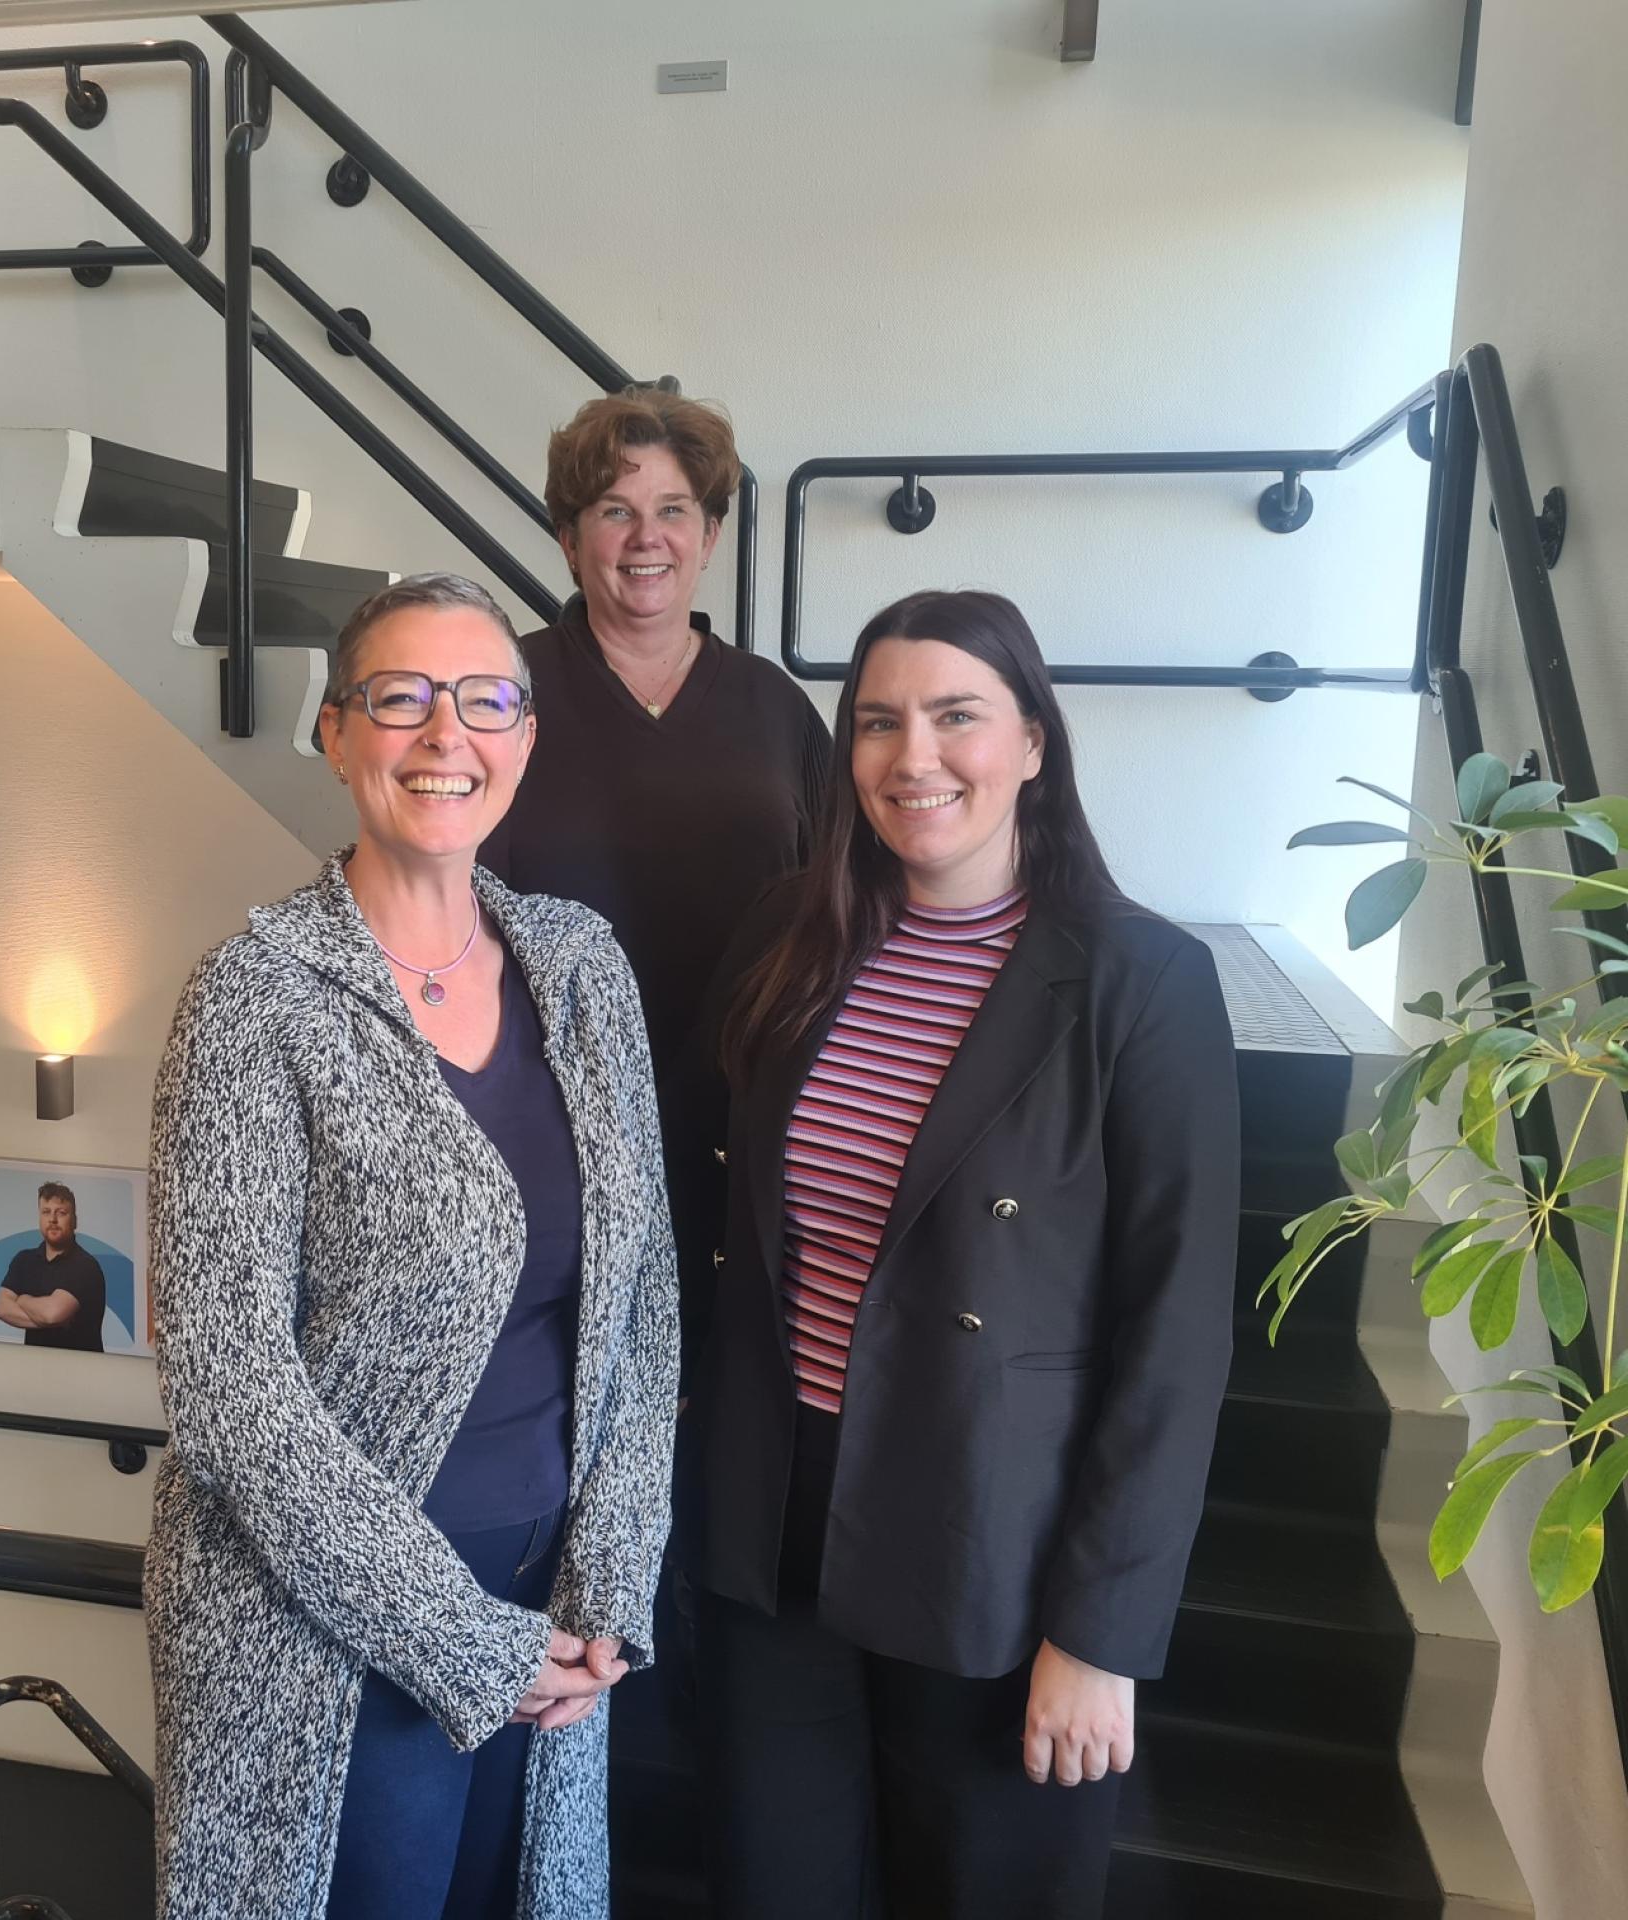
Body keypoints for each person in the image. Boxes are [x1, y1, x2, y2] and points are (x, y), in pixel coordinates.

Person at [692, 590, 1240, 1919]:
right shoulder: (789, 940)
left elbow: (1173, 1333)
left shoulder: (1136, 980)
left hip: (991, 1543)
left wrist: (1099, 1634)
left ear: (1034, 742)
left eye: (956, 716)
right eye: (878, 722)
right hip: (775, 1533)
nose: (912, 756)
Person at [146, 572, 679, 1920]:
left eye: (486, 699)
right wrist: (457, 1643)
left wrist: (609, 1580)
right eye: (403, 699)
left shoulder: (581, 966)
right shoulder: (255, 996)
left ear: (527, 737)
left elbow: (645, 1298)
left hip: (548, 1606)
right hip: (327, 1632)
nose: (449, 735)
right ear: (337, 735)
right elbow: (227, 1384)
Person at [479, 387, 829, 1371]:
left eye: (674, 510)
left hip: (744, 1132)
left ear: (710, 534)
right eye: (613, 511)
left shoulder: (773, 708)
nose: (646, 539)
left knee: (728, 1413)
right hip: (550, 1134)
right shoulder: (504, 695)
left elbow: (841, 911)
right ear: (566, 535)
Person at [0, 1182, 107, 1352]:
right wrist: (45, 1318)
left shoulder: (86, 1266)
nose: (53, 1219)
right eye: (46, 1212)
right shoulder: (24, 1260)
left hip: (82, 1372)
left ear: (75, 1221)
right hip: (35, 1370)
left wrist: (22, 1299)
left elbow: (52, 1314)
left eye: (61, 1213)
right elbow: (1, 1308)